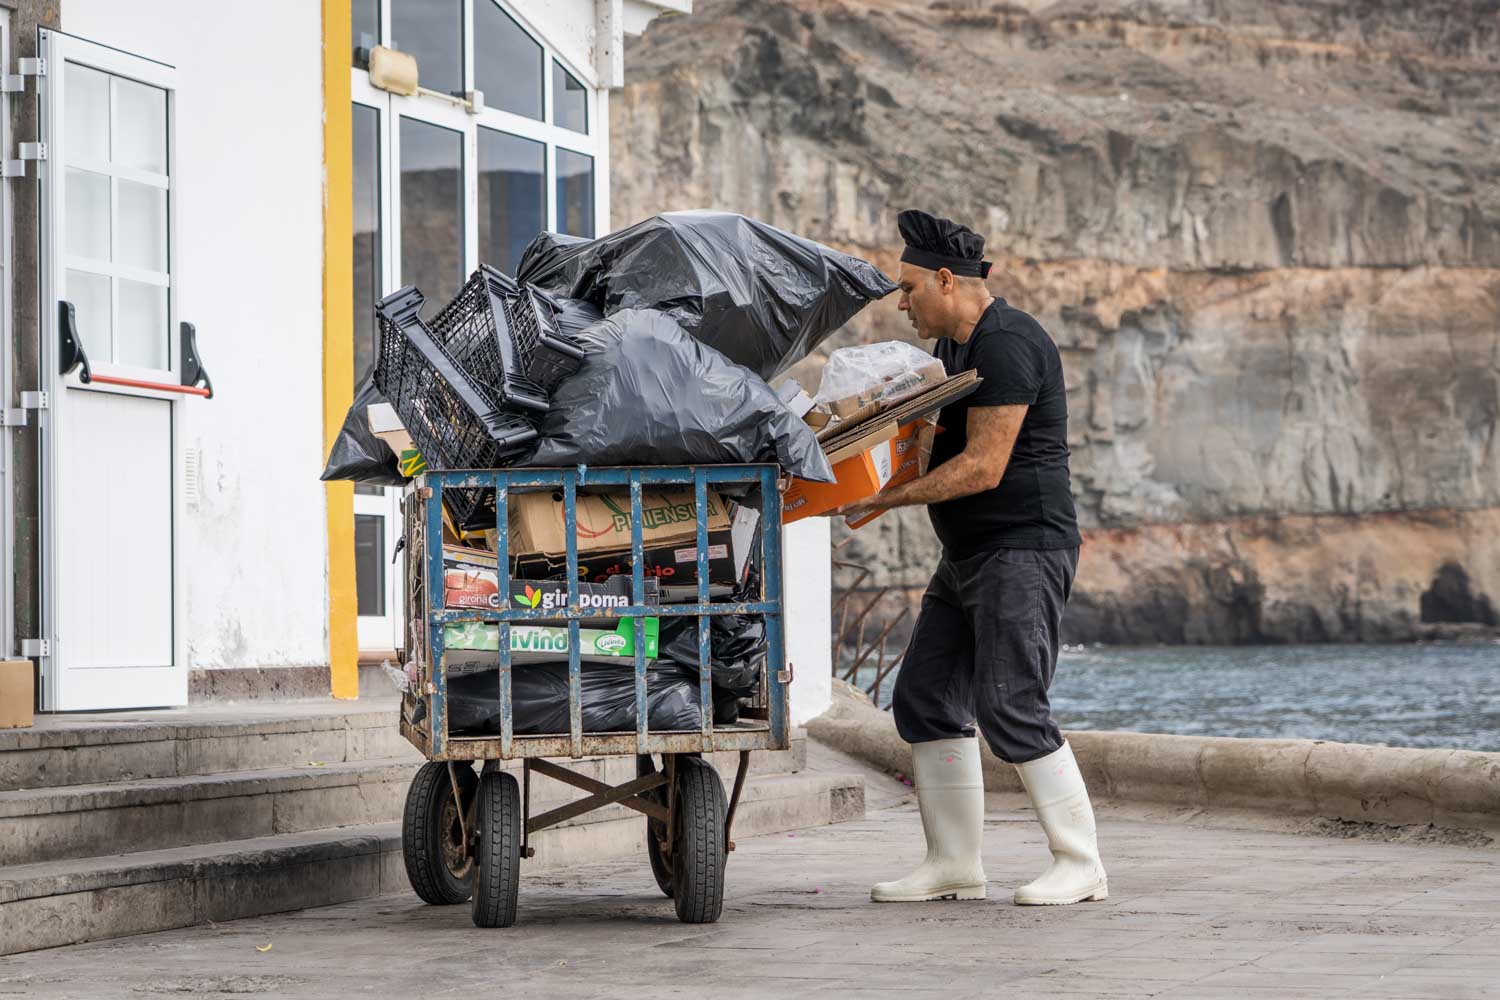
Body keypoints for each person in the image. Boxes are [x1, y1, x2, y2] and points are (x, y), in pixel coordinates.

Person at [836, 209, 1106, 906]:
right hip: (970, 553)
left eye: (908, 289)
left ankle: (1081, 864)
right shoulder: (957, 350)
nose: (901, 304)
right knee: (924, 698)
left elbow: (984, 467)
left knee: (1012, 704)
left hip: (1023, 548)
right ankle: (954, 863)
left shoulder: (1010, 342)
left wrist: (885, 502)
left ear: (946, 281)